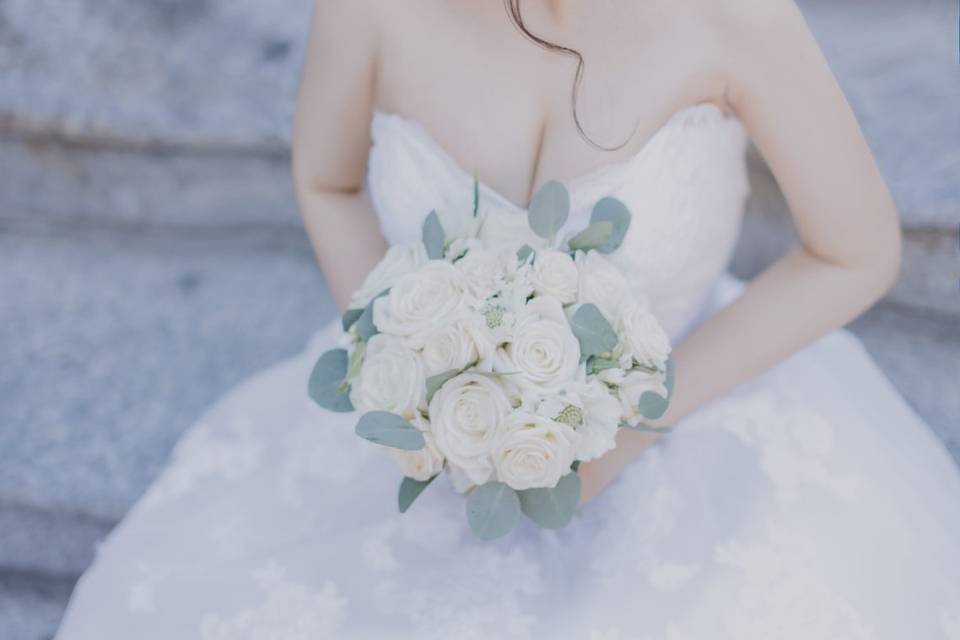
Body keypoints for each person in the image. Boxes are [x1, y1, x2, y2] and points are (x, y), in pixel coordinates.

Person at [55, 1, 960, 638]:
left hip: (696, 395)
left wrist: (641, 419)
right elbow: (325, 182)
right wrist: (405, 371)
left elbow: (858, 251)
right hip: (431, 442)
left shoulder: (737, 19)